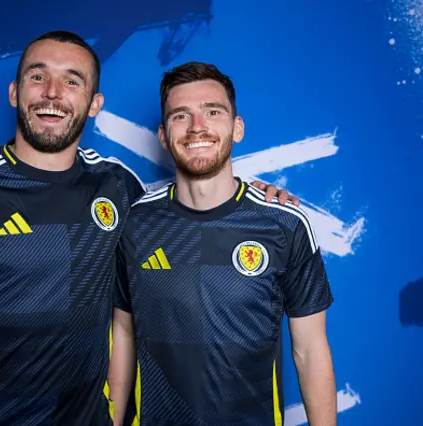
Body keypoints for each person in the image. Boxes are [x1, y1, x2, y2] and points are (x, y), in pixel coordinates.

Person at [0, 31, 295, 426]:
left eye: (72, 82)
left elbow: (193, 209)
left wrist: (256, 198)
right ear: (15, 93)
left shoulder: (119, 186)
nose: (52, 94)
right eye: (38, 77)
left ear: (94, 103)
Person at [109, 62, 336, 426]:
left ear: (237, 127)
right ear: (164, 136)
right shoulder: (134, 224)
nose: (197, 127)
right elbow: (122, 332)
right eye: (181, 116)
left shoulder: (285, 224)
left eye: (212, 112)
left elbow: (310, 349)